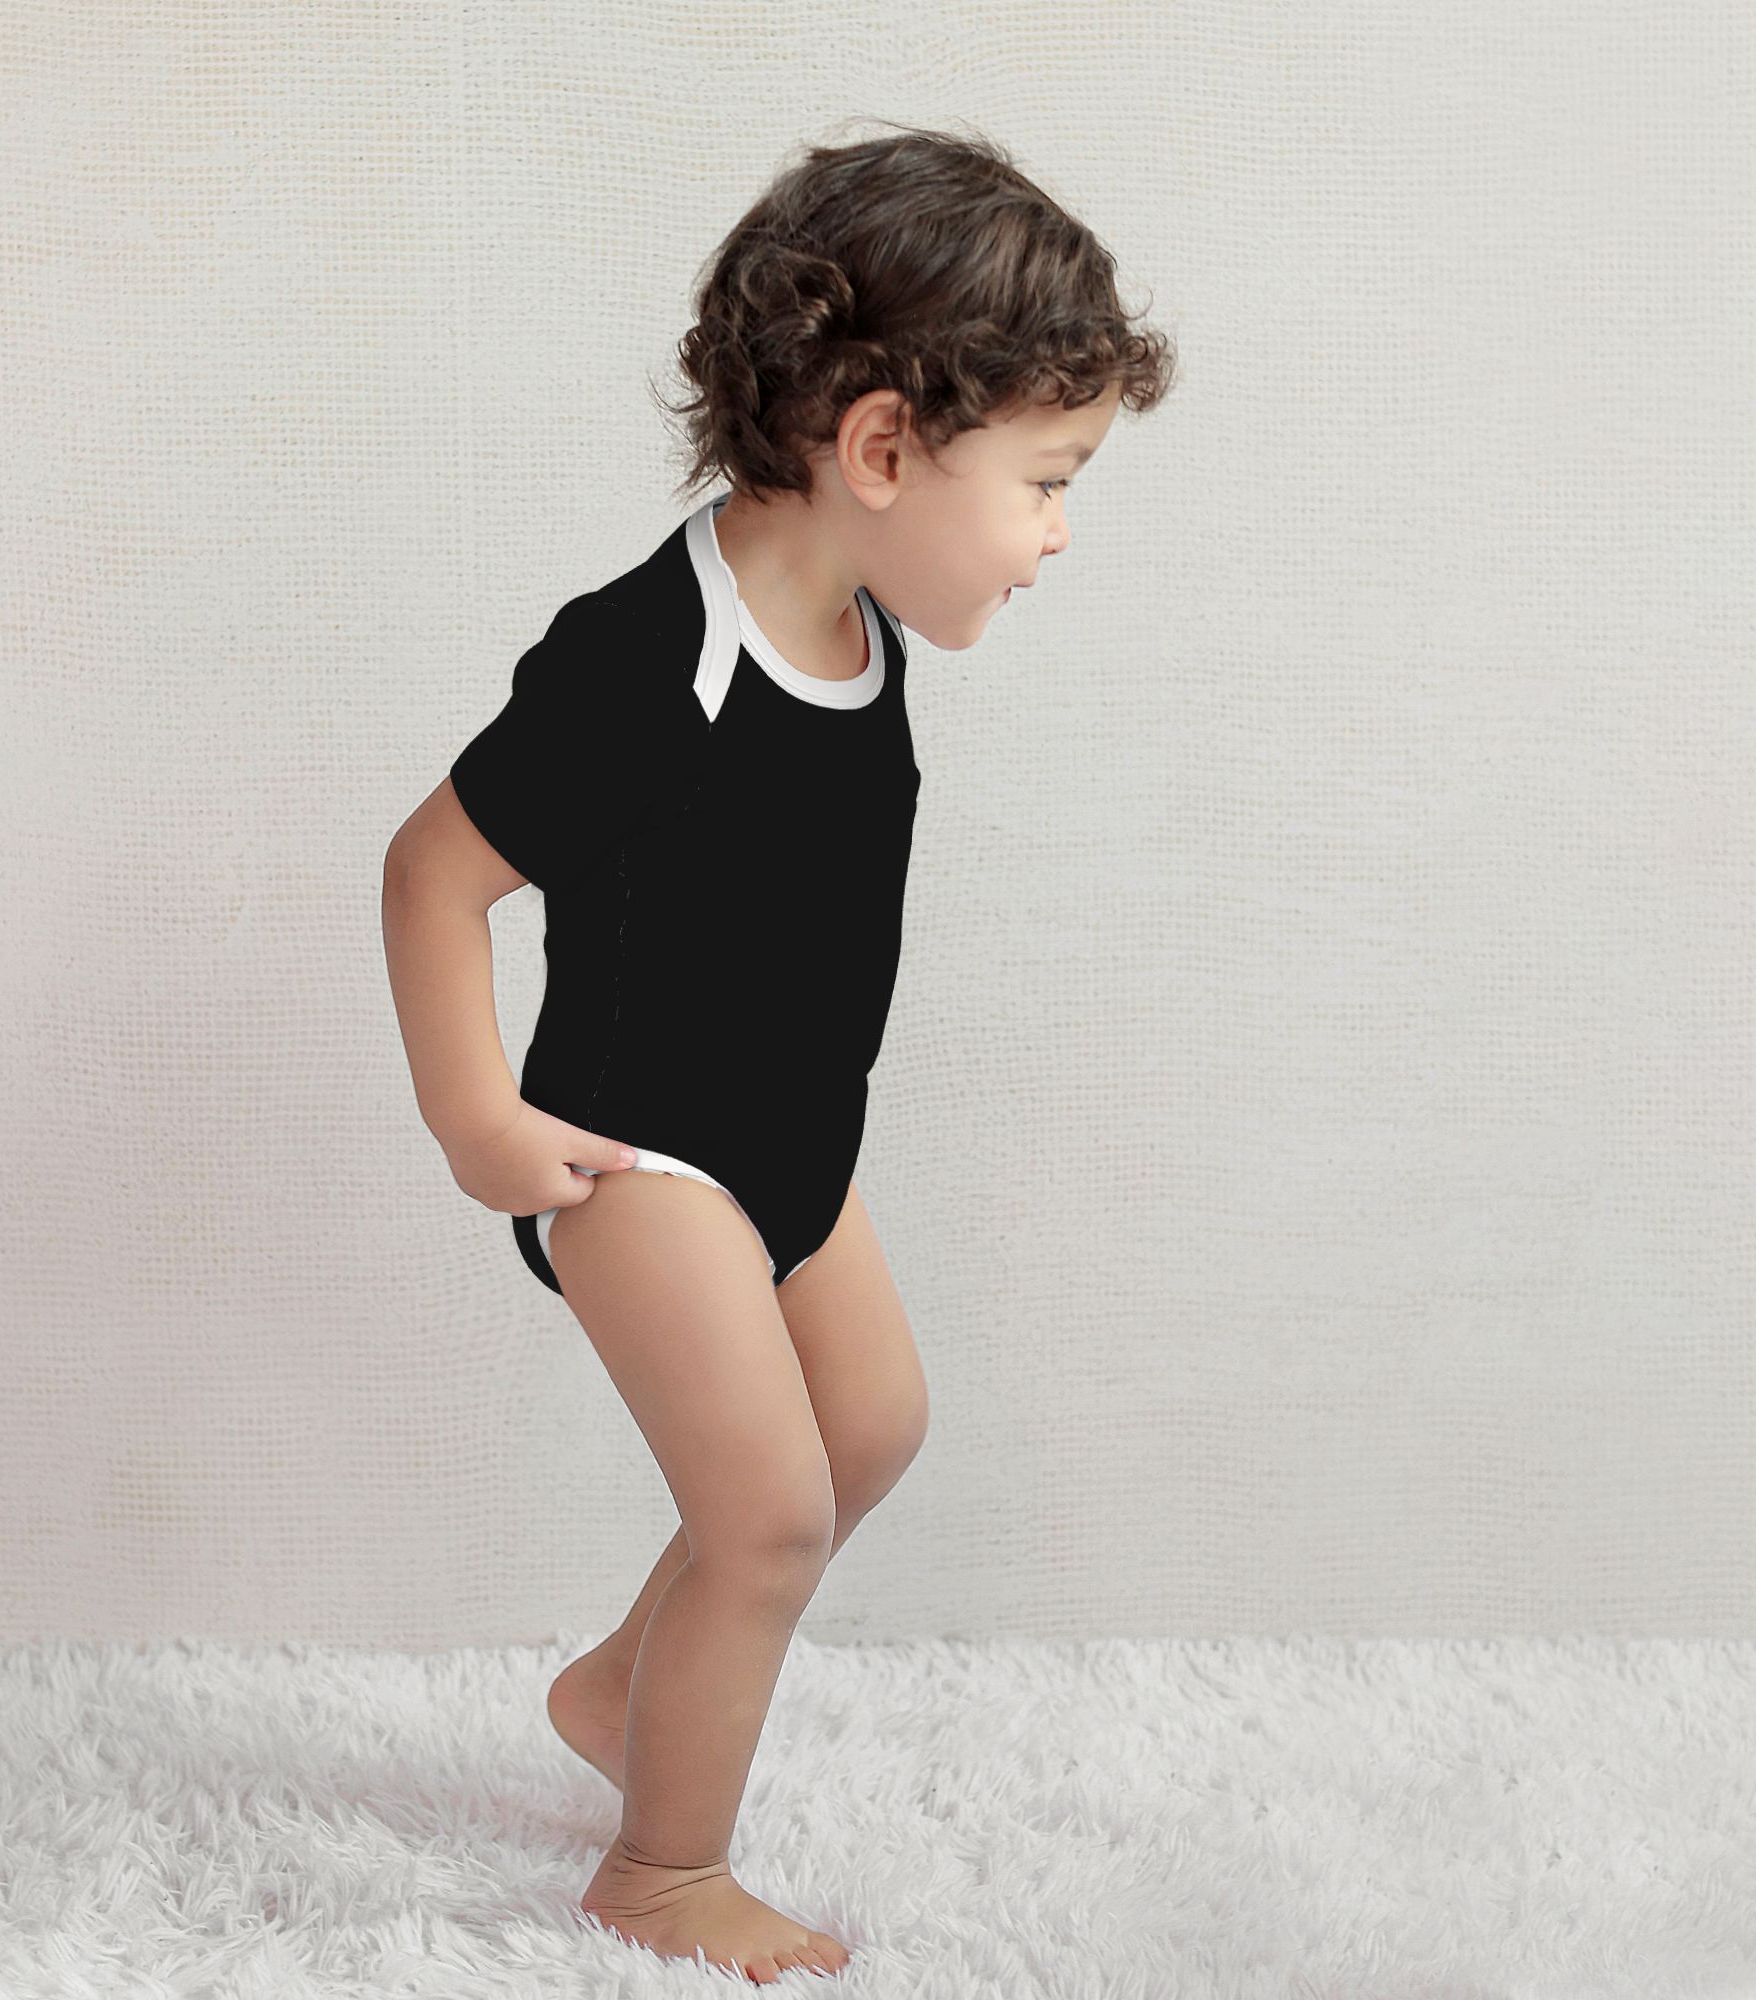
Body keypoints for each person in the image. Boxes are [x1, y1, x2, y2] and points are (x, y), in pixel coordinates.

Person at [381, 122, 1174, 1984]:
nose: (1059, 534)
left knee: (872, 1427)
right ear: (882, 450)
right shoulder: (650, 657)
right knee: (767, 1516)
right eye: (1046, 483)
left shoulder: (865, 624)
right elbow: (433, 872)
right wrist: (475, 1115)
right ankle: (660, 1874)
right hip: (636, 1152)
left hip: (793, 1140)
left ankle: (619, 1690)